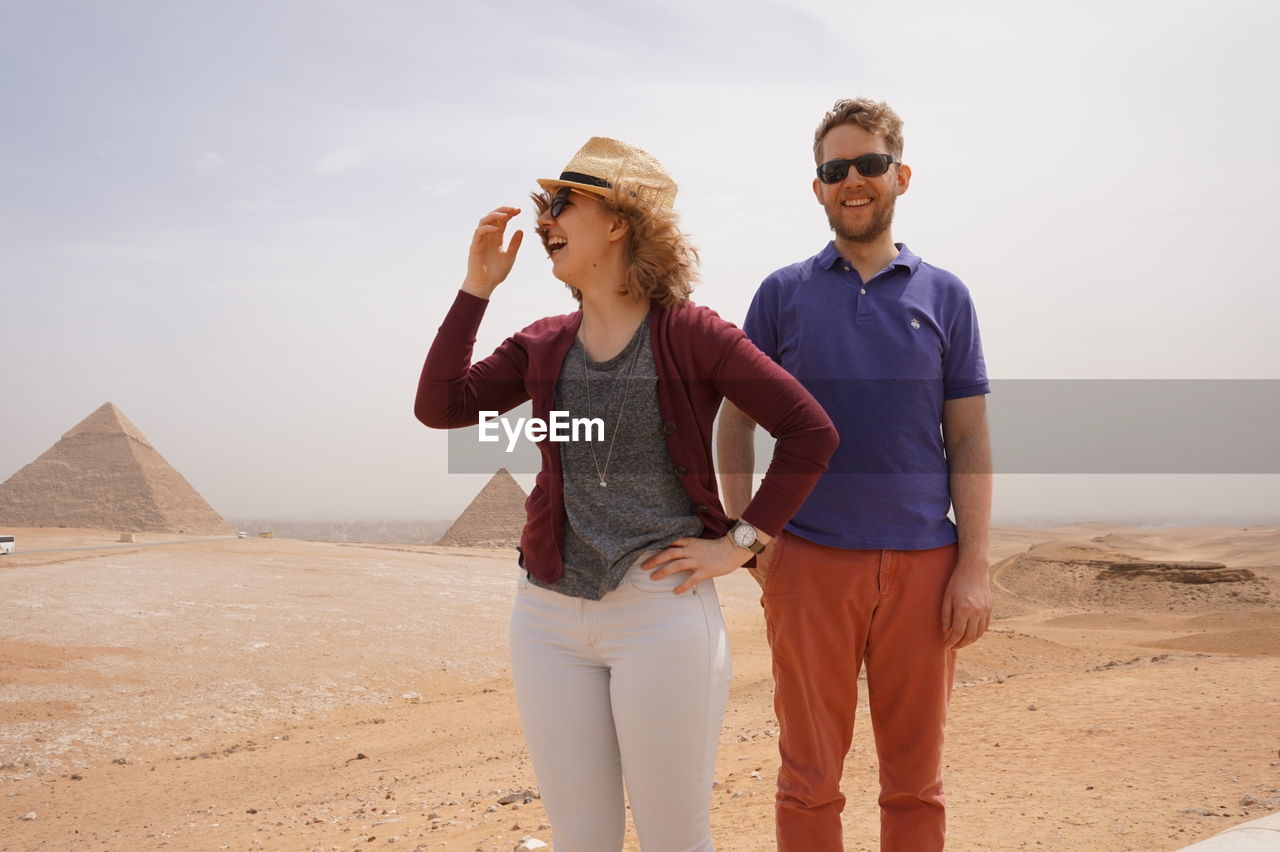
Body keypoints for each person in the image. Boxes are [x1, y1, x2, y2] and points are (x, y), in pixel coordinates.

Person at [414, 136, 838, 851]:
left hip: (660, 614)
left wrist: (741, 542)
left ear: (618, 221)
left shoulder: (691, 335)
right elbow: (441, 404)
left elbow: (810, 431)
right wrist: (476, 287)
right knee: (583, 843)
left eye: (560, 203)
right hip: (546, 618)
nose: (543, 218)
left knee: (674, 840)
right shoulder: (542, 344)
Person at [717, 98, 994, 851]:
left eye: (868, 164)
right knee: (807, 782)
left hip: (923, 568)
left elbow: (967, 439)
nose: (853, 181)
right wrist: (747, 536)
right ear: (818, 188)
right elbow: (733, 419)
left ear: (899, 175)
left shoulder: (947, 295)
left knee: (916, 785)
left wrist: (973, 564)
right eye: (835, 170)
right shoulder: (781, 294)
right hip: (808, 563)